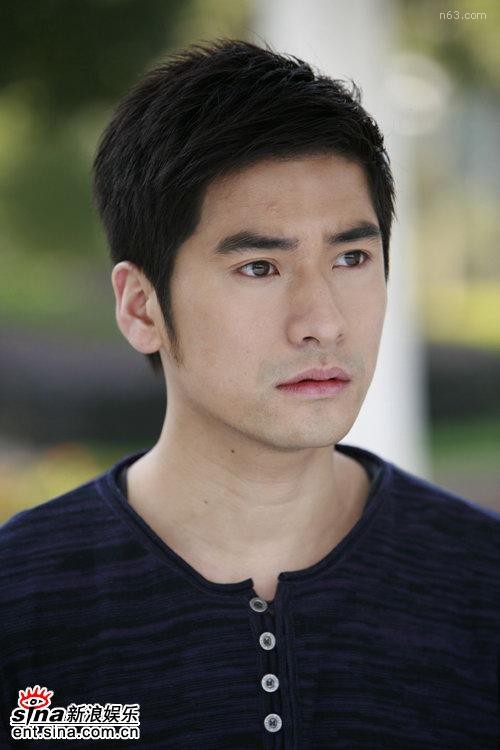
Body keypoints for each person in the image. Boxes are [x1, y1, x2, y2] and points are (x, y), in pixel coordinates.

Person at [0, 39, 498, 750]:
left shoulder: (482, 581)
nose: (323, 321)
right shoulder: (20, 599)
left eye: (352, 257)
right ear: (141, 307)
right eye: (260, 266)